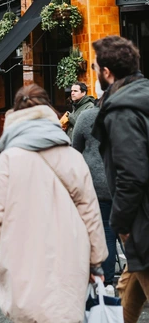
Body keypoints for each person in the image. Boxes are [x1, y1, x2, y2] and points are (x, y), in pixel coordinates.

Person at [0, 84, 107, 323]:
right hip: (70, 256)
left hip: (22, 257)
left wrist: (4, 247)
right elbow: (90, 213)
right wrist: (97, 262)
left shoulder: (8, 160)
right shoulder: (72, 157)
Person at [91, 35, 149, 322]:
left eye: (95, 68)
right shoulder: (142, 95)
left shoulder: (122, 110)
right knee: (130, 286)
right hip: (140, 219)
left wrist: (121, 223)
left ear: (107, 72)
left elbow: (132, 174)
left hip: (142, 220)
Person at [72, 97, 117, 295]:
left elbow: (75, 148)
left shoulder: (87, 116)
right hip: (126, 181)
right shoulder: (127, 116)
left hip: (97, 183)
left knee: (104, 229)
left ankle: (105, 280)